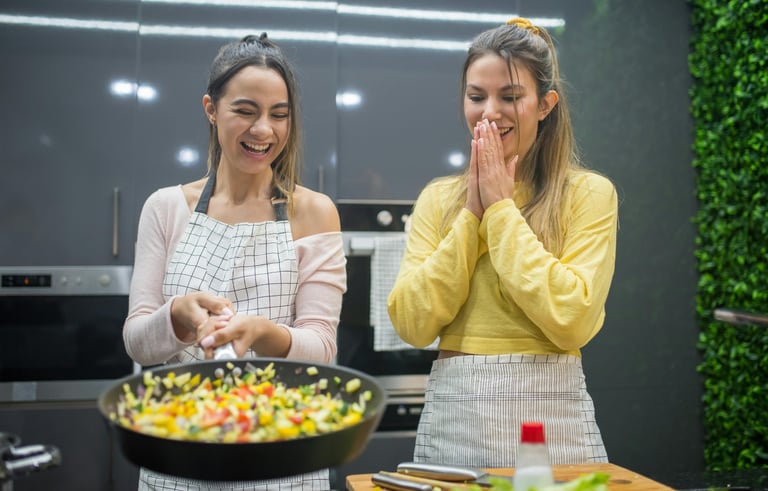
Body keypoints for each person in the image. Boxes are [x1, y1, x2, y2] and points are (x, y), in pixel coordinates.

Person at [387, 18, 618, 467]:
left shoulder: (589, 194)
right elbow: (413, 323)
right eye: (477, 97)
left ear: (545, 104)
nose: (489, 111)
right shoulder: (439, 199)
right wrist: (472, 213)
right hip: (458, 412)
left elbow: (572, 319)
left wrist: (499, 209)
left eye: (510, 97)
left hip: (553, 417)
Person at [123, 33, 346, 490]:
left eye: (279, 115)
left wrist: (261, 332)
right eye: (245, 111)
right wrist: (177, 318)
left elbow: (322, 349)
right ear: (211, 109)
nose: (263, 130)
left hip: (283, 460)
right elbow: (138, 344)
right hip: (180, 455)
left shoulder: (315, 211)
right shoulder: (165, 207)